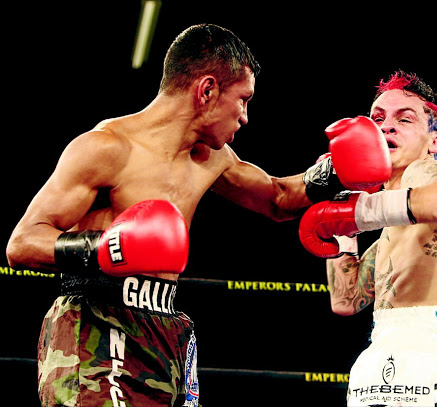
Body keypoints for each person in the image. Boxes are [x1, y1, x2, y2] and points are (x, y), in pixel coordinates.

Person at [6, 24, 345, 407]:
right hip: (97, 325)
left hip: (166, 330)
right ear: (207, 90)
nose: (245, 117)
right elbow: (22, 243)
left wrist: (336, 170)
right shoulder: (107, 148)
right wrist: (104, 248)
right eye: (243, 99)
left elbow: (279, 199)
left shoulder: (211, 157)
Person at [299, 71, 437, 406]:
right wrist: (344, 230)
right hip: (431, 348)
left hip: (421, 351)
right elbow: (346, 301)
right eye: (377, 119)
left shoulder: (422, 171)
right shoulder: (399, 222)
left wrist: (360, 210)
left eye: (405, 119)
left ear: (434, 142)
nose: (386, 127)